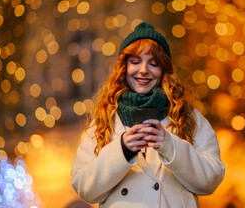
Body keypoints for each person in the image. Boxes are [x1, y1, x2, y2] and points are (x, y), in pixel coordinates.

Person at [71, 22, 225, 208]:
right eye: (135, 62)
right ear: (124, 67)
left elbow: (211, 179)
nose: (143, 70)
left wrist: (170, 146)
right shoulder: (106, 117)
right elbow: (84, 186)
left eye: (153, 63)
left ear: (163, 71)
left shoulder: (187, 116)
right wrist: (123, 150)